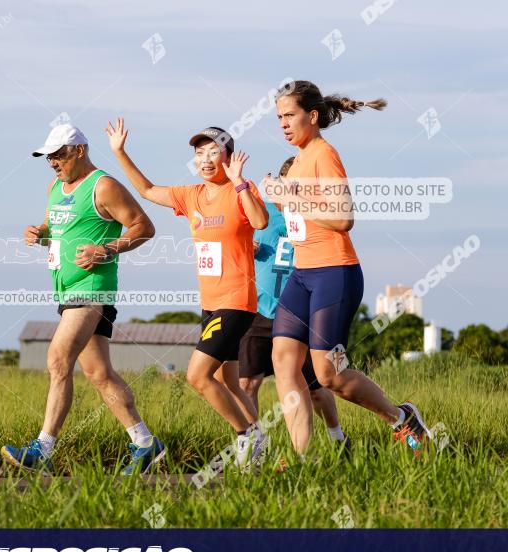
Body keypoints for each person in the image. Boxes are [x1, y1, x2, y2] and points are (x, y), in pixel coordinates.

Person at [263, 81, 430, 455]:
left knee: (329, 375)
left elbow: (343, 219)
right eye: (279, 118)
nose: (283, 124)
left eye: (289, 115)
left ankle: (400, 417)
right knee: (284, 363)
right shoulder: (300, 159)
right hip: (302, 275)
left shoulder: (324, 154)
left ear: (313, 115)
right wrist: (278, 195)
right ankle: (301, 458)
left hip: (333, 273)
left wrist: (289, 196)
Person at [0, 124, 166, 475]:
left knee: (58, 359)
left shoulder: (103, 186)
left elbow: (143, 227)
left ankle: (42, 449)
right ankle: (145, 443)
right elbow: (56, 227)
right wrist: (40, 233)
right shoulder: (55, 187)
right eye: (49, 157)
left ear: (79, 150)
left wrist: (106, 249)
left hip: (92, 289)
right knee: (99, 373)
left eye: (58, 154)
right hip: (66, 288)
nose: (53, 162)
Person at [106, 117, 269, 469]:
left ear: (228, 156)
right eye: (200, 153)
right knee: (229, 380)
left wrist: (240, 183)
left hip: (237, 301)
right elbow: (148, 191)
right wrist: (120, 153)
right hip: (210, 304)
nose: (206, 159)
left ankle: (246, 436)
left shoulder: (241, 189)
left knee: (197, 376)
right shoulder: (191, 195)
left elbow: (260, 223)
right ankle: (257, 444)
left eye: (214, 152)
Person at [239, 156, 350, 452]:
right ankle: (253, 446)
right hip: (260, 310)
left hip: (300, 313)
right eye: (288, 185)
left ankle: (337, 437)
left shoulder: (314, 216)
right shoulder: (261, 212)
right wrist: (245, 247)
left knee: (316, 388)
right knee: (247, 382)